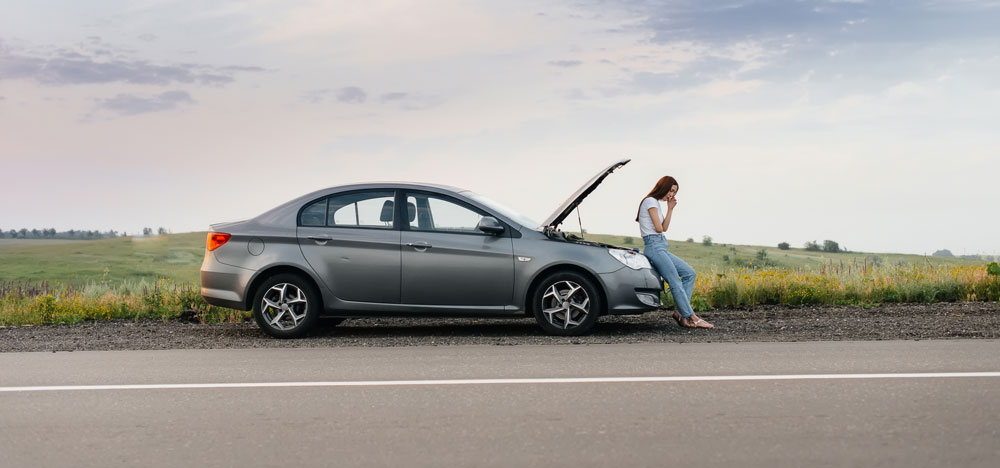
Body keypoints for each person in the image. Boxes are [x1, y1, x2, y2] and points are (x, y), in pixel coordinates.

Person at [636, 176, 714, 329]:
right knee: (675, 281)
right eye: (671, 190)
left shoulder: (657, 204)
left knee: (689, 273)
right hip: (654, 247)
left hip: (661, 246)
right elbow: (658, 229)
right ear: (663, 186)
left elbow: (664, 228)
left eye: (674, 192)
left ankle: (680, 314)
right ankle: (693, 317)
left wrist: (670, 208)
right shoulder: (650, 201)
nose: (672, 195)